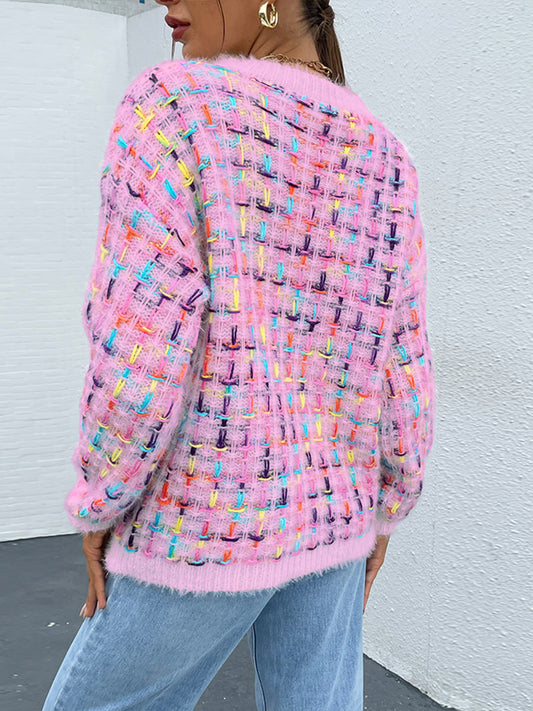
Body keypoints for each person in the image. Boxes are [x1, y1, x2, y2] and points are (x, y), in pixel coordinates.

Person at [42, 1, 436, 709]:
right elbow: (403, 364)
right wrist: (387, 506)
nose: (168, 3)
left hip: (202, 521)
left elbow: (140, 344)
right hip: (336, 517)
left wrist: (102, 496)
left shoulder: (175, 107)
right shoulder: (385, 154)